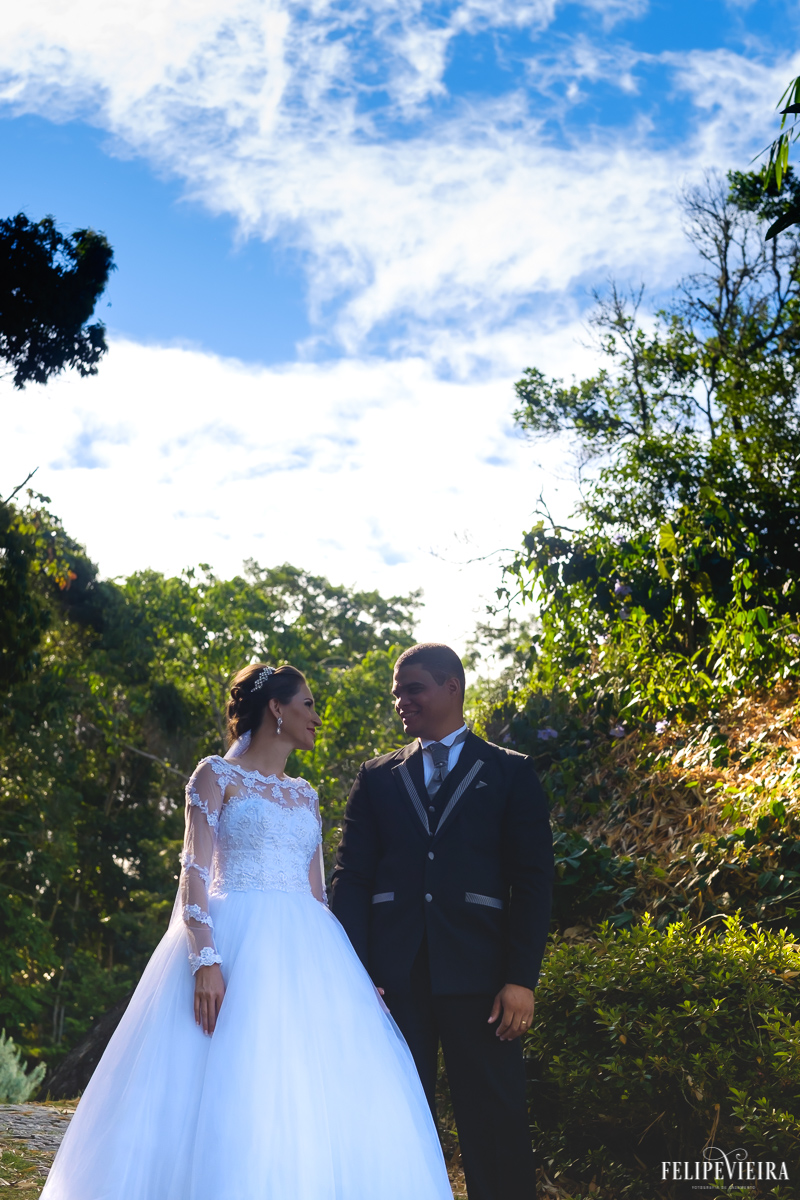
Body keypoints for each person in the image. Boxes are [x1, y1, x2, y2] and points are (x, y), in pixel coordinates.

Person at [41, 663, 453, 1200]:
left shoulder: (305, 794)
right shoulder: (214, 776)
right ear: (276, 709)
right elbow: (193, 872)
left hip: (308, 951)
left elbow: (318, 896)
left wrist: (353, 978)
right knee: (223, 1081)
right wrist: (205, 959)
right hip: (232, 943)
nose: (316, 717)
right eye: (307, 704)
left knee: (305, 1088)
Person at [330, 642, 554, 1200]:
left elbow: (532, 882)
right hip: (392, 979)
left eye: (414, 689)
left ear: (452, 687)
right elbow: (351, 878)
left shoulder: (510, 773)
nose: (402, 702)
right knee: (395, 1118)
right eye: (397, 693)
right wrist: (356, 972)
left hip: (481, 978)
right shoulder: (377, 777)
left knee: (495, 1119)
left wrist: (521, 978)